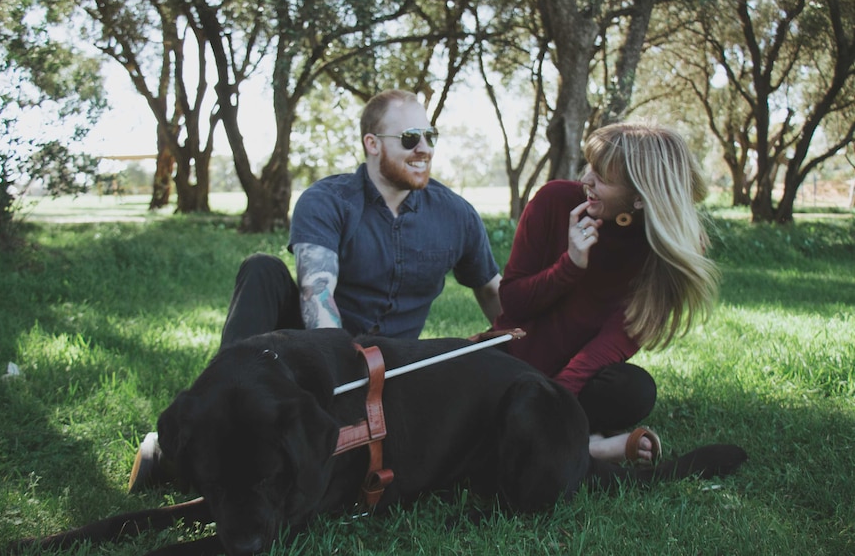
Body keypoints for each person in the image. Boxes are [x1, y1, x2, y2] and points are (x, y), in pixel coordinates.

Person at [128, 89, 502, 492]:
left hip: (391, 367)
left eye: (431, 136)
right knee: (262, 270)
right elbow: (316, 295)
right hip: (311, 355)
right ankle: (217, 421)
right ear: (372, 144)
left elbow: (491, 290)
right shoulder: (326, 200)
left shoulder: (456, 214)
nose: (424, 149)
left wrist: (526, 345)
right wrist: (339, 389)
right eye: (411, 138)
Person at [492, 121, 718, 464]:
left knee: (635, 390)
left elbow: (609, 345)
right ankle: (588, 446)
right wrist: (569, 265)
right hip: (513, 359)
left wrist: (554, 401)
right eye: (589, 167)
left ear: (640, 199)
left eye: (602, 177)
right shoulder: (554, 200)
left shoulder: (664, 254)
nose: (586, 180)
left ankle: (561, 435)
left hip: (580, 382)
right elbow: (513, 304)